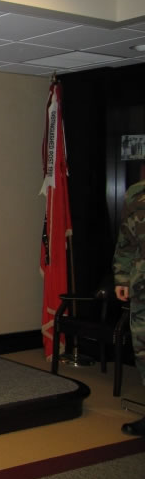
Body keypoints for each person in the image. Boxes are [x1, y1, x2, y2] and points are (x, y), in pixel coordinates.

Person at [114, 177, 145, 436]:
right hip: (141, 287)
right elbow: (126, 239)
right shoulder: (136, 193)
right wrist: (122, 276)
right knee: (143, 352)